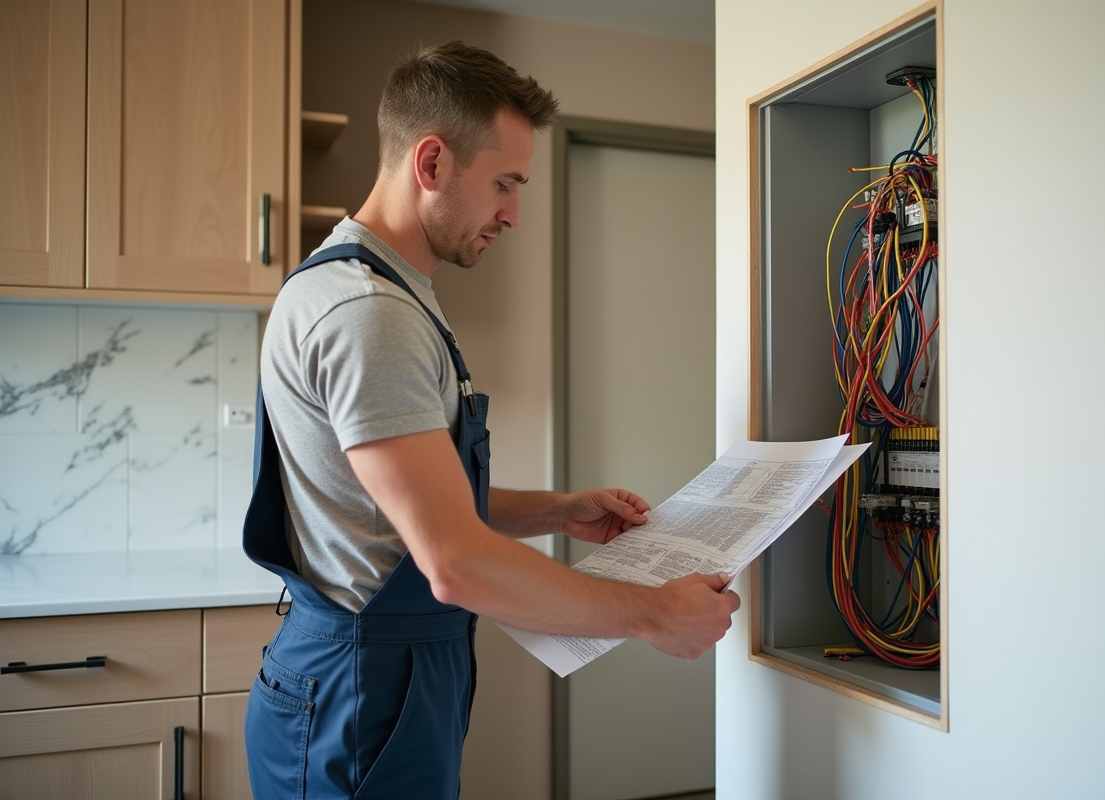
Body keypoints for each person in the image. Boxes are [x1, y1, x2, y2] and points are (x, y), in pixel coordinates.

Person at [242, 40, 739, 799]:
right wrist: (653, 614)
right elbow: (453, 561)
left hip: (376, 677)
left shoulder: (381, 291)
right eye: (505, 182)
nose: (513, 213)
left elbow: (399, 508)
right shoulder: (369, 314)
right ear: (432, 163)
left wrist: (558, 510)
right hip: (361, 688)